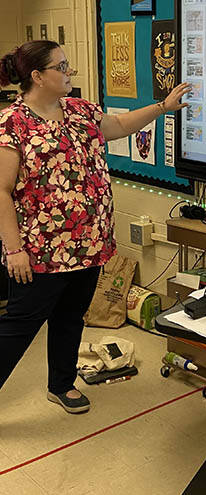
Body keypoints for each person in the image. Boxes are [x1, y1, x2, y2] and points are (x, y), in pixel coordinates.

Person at [0, 40, 189, 414]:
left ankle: (61, 384)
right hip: (41, 251)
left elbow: (118, 126)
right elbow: (2, 191)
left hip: (89, 244)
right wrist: (14, 249)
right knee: (19, 328)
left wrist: (163, 107)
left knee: (71, 318)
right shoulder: (12, 123)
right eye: (62, 66)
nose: (70, 72)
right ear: (37, 76)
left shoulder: (79, 110)